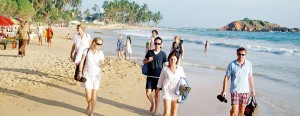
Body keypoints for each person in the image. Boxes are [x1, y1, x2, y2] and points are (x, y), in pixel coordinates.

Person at [220, 47, 255, 116]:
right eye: (239, 54)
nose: (241, 56)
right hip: (235, 90)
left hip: (245, 91)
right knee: (234, 109)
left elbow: (250, 76)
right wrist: (224, 90)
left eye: (243, 54)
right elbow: (227, 77)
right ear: (237, 54)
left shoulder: (249, 64)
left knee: (242, 110)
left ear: (245, 55)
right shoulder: (232, 64)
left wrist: (252, 88)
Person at [77, 37, 105, 116]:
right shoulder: (86, 50)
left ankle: (92, 111)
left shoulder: (100, 53)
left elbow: (102, 64)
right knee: (88, 95)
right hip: (87, 75)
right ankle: (89, 104)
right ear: (93, 43)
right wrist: (79, 72)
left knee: (94, 95)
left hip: (96, 76)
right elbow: (82, 62)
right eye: (98, 44)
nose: (99, 46)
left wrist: (105, 64)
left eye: (101, 44)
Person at [143, 37, 167, 116]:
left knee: (157, 95)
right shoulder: (150, 52)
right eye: (156, 43)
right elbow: (144, 61)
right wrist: (148, 60)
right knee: (147, 93)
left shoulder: (163, 54)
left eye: (159, 43)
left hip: (159, 78)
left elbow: (166, 65)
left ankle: (156, 110)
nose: (157, 45)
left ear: (161, 44)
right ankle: (152, 104)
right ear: (154, 44)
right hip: (150, 76)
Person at [156, 51, 186, 116]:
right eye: (171, 59)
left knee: (173, 112)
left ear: (177, 60)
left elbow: (183, 82)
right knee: (166, 112)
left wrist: (181, 94)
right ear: (169, 59)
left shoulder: (180, 69)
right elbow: (160, 82)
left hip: (176, 93)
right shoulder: (165, 69)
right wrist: (157, 91)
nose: (172, 61)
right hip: (166, 92)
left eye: (174, 59)